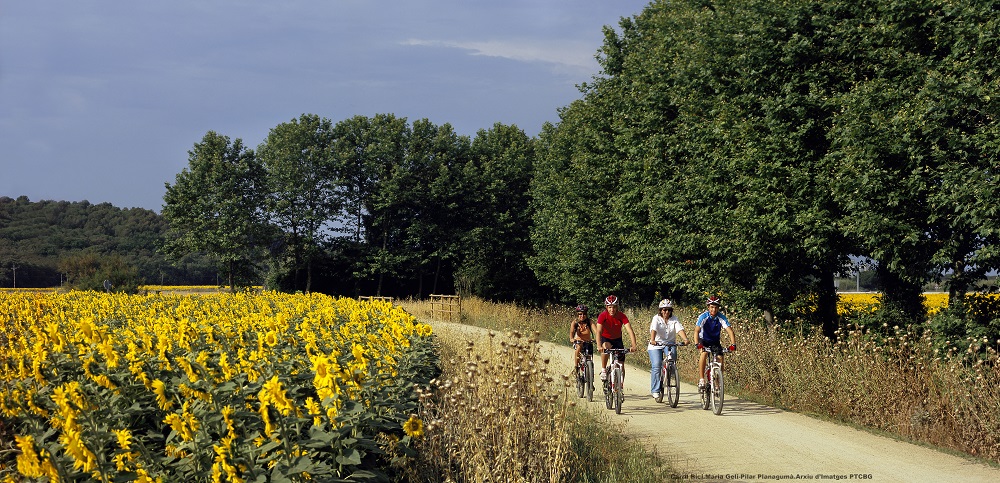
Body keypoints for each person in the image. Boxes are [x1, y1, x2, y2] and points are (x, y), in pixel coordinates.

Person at [648, 299, 689, 401]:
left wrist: (685, 339)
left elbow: (679, 329)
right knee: (657, 364)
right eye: (664, 310)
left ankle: (670, 371)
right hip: (656, 344)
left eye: (669, 310)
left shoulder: (674, 319)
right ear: (660, 310)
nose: (666, 312)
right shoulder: (656, 318)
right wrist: (652, 340)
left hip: (669, 343)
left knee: (672, 358)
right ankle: (655, 390)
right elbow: (654, 329)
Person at [694, 295, 737, 390]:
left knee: (720, 358)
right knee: (704, 353)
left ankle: (718, 381)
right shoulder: (703, 317)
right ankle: (701, 379)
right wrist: (697, 344)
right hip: (703, 340)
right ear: (708, 307)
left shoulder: (721, 317)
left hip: (715, 341)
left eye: (716, 307)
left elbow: (730, 331)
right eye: (712, 307)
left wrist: (733, 344)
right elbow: (696, 331)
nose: (714, 309)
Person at [595, 294, 638, 382]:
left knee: (621, 364)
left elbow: (629, 330)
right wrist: (599, 345)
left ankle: (620, 386)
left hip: (618, 340)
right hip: (606, 339)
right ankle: (603, 369)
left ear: (617, 307)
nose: (612, 309)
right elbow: (598, 331)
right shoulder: (603, 316)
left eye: (614, 307)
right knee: (605, 347)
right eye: (610, 307)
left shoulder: (622, 316)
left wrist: (633, 345)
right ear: (606, 307)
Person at [569, 304, 594, 369]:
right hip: (578, 341)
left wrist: (598, 339)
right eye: (580, 314)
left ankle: (589, 371)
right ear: (577, 314)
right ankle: (576, 367)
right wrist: (572, 339)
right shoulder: (575, 322)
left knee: (589, 356)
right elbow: (571, 332)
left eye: (584, 314)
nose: (582, 316)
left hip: (588, 342)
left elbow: (596, 331)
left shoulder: (589, 322)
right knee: (579, 347)